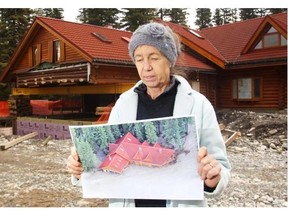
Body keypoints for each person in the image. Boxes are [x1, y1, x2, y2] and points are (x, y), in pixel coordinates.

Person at [67, 21, 231, 207]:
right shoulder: (123, 104)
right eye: (139, 59)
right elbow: (109, 158)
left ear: (170, 59)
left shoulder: (199, 104)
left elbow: (221, 167)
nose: (146, 67)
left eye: (154, 58)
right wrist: (81, 170)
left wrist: (213, 178)